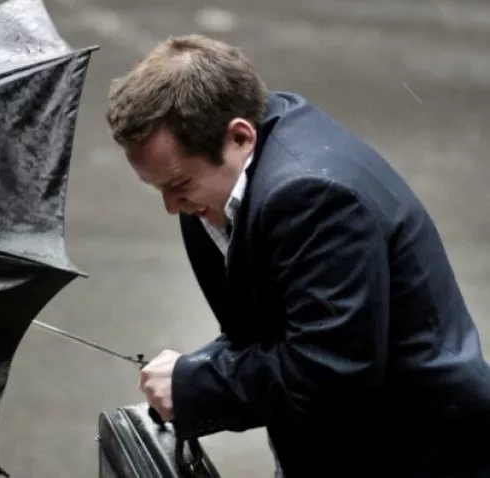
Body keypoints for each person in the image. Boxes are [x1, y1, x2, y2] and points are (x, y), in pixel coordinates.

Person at [104, 34, 490, 478]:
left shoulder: (312, 195)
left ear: (239, 136)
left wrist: (195, 384)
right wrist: (194, 373)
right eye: (157, 188)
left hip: (418, 453)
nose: (171, 207)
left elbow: (330, 372)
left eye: (178, 185)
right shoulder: (229, 172)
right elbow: (268, 328)